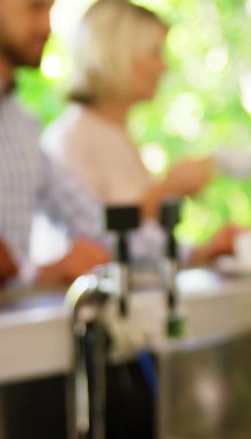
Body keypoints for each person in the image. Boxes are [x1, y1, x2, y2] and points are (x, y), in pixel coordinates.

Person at [42, 0, 236, 265]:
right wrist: (169, 188)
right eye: (154, 53)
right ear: (115, 54)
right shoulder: (73, 138)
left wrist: (204, 251)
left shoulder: (118, 134)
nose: (163, 67)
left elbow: (141, 242)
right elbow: (94, 239)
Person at [0, 0, 110, 291]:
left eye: (49, 10)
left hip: (9, 332)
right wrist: (37, 274)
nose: (46, 26)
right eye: (35, 8)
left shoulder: (19, 120)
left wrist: (187, 252)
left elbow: (91, 218)